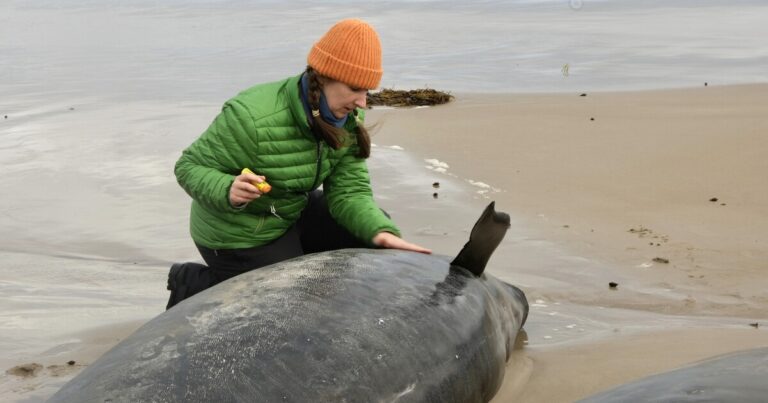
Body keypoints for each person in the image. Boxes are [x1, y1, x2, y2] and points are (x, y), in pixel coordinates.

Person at [167, 18, 431, 309]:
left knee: (367, 235)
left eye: (367, 90)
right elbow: (188, 167)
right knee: (291, 304)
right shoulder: (252, 117)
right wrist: (227, 188)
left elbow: (349, 193)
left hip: (288, 212)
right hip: (237, 234)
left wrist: (380, 232)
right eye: (356, 88)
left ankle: (298, 264)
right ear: (324, 77)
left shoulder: (348, 118)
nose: (362, 102)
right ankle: (196, 284)